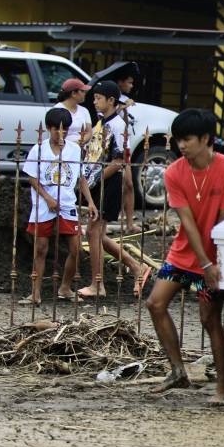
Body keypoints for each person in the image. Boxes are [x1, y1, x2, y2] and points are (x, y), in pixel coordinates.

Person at [146, 109, 224, 406]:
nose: (181, 146)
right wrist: (202, 263)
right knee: (155, 303)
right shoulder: (175, 171)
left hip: (217, 255)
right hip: (186, 255)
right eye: (178, 140)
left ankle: (223, 389)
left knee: (209, 319)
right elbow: (186, 221)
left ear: (205, 139)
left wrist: (216, 265)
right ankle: (177, 370)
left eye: (187, 140)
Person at [78, 80, 149, 300]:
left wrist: (95, 179)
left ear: (111, 100)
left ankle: (97, 284)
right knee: (94, 233)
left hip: (108, 184)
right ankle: (137, 267)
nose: (95, 101)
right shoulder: (101, 123)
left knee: (94, 231)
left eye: (99, 98)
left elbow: (118, 161)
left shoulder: (117, 125)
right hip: (99, 183)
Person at [21, 108, 96, 305]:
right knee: (41, 248)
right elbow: (32, 178)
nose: (60, 135)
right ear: (49, 129)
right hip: (44, 205)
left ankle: (65, 286)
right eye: (57, 130)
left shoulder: (74, 149)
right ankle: (35, 293)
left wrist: (90, 201)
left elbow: (80, 178)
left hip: (67, 204)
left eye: (64, 130)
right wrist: (47, 198)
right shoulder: (38, 149)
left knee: (76, 248)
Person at [115, 67, 139, 233]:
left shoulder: (125, 99)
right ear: (121, 82)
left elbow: (123, 123)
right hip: (113, 148)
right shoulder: (111, 98)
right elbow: (108, 118)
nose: (131, 85)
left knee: (129, 184)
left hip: (125, 146)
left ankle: (129, 223)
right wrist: (122, 107)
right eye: (129, 82)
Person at [52, 78, 93, 145]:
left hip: (81, 149)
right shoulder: (56, 109)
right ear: (73, 93)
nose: (85, 94)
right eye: (82, 91)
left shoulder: (84, 111)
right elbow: (54, 134)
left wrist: (79, 143)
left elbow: (89, 132)